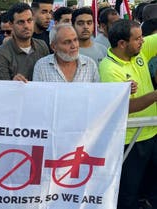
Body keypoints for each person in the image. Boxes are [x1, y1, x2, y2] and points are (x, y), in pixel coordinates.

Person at [99, 19, 157, 209]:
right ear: (122, 44)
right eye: (138, 39)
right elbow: (126, 107)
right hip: (130, 140)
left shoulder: (139, 51)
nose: (143, 41)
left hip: (153, 132)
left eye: (142, 37)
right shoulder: (109, 69)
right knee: (128, 193)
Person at [0, 2, 49, 82]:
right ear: (11, 25)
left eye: (29, 20)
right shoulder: (1, 54)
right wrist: (13, 84)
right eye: (21, 22)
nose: (26, 26)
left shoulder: (42, 46)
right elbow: (3, 88)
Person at [33, 23, 99, 82]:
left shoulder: (90, 65)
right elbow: (39, 94)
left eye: (75, 40)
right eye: (67, 42)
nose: (74, 46)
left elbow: (96, 93)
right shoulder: (41, 67)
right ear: (53, 47)